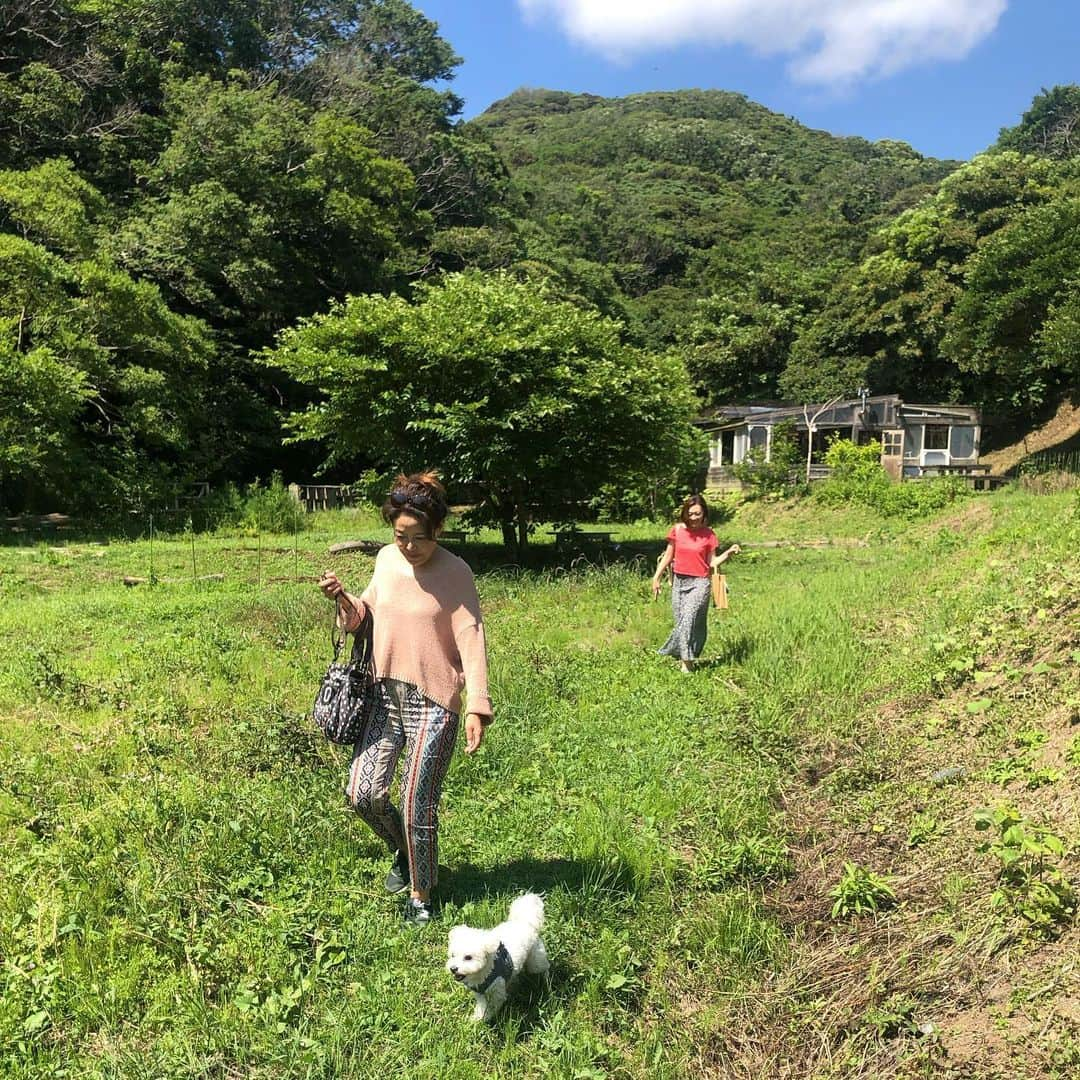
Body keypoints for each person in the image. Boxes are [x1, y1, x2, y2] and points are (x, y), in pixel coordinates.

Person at [318, 471, 492, 927]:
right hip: (382, 695)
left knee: (418, 802)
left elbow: (471, 637)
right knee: (362, 794)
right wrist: (342, 600)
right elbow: (364, 620)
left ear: (437, 531)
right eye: (401, 536)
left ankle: (421, 892)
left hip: (434, 703)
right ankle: (405, 851)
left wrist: (477, 704)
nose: (410, 547)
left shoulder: (456, 573)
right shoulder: (386, 562)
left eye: (420, 538)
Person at [652, 494, 740, 673]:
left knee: (689, 619)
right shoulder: (677, 530)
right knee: (682, 622)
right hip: (679, 582)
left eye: (697, 514)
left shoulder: (709, 535)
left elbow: (712, 563)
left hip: (701, 583)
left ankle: (687, 663)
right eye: (690, 514)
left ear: (704, 514)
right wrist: (656, 578)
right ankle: (674, 651)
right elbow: (669, 556)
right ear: (685, 513)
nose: (694, 518)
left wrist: (728, 554)